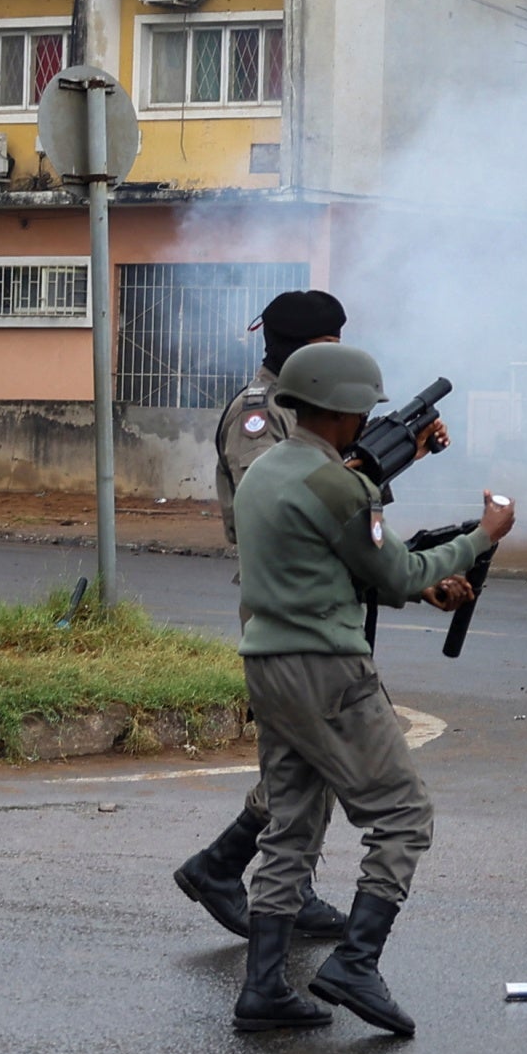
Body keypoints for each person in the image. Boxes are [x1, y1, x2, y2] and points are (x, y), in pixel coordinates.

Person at [226, 341, 507, 1040]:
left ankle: (263, 988)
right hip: (329, 668)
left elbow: (334, 551)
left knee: (292, 823)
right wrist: (480, 537)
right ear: (348, 411)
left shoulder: (263, 473)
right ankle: (356, 961)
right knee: (404, 814)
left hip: (269, 663)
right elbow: (398, 571)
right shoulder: (341, 488)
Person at [174, 285, 361, 941]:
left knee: (310, 756)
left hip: (317, 596)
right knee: (310, 752)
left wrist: (403, 450)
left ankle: (275, 878)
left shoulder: (312, 410)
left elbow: (337, 490)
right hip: (283, 600)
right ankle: (225, 865)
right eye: (330, 348)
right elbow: (281, 504)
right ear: (304, 349)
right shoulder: (261, 413)